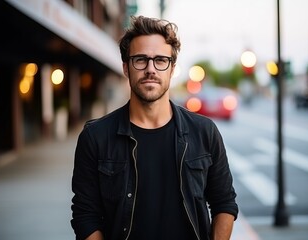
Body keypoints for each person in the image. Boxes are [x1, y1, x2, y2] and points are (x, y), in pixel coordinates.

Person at [71, 15, 238, 240]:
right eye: (140, 59)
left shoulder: (204, 132)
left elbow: (224, 203)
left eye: (160, 60)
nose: (151, 69)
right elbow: (85, 215)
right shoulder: (96, 138)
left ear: (171, 68)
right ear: (126, 68)